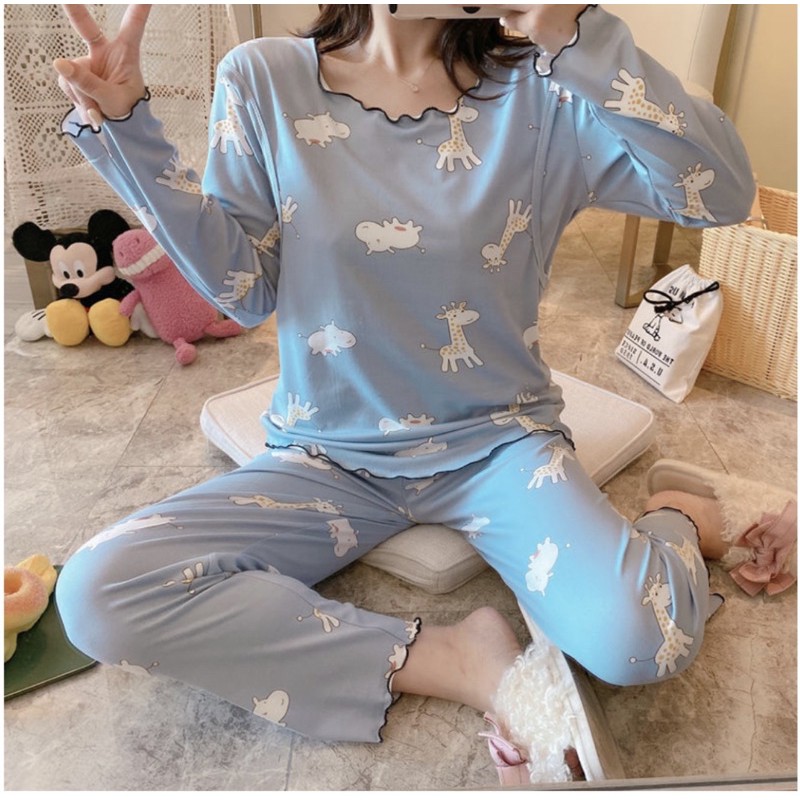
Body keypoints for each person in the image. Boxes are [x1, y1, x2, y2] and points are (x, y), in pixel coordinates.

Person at [52, 3, 795, 785]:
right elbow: (242, 291)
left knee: (639, 642)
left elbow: (721, 195)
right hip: (326, 454)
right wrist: (127, 126)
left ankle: (680, 516)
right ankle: (461, 659)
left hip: (499, 445)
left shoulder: (544, 90)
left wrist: (578, 33)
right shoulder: (263, 78)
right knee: (97, 592)